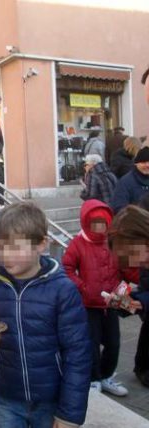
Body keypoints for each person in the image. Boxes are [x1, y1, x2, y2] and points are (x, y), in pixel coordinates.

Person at [0, 202, 91, 428]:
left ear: (41, 244)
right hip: (6, 396)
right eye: (0, 247)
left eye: (15, 247)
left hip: (51, 399)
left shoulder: (63, 290)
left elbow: (77, 353)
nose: (5, 255)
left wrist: (70, 413)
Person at [62, 200, 129, 397]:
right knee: (90, 343)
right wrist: (82, 287)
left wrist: (122, 291)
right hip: (88, 305)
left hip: (112, 303)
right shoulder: (77, 243)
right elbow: (66, 269)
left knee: (114, 343)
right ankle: (93, 378)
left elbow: (126, 268)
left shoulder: (115, 241)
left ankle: (106, 375)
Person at [108, 204, 149, 388]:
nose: (133, 261)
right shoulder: (144, 264)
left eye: (132, 253)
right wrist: (123, 304)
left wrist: (142, 301)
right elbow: (142, 296)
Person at [110, 146, 149, 213]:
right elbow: (118, 206)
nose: (147, 165)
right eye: (143, 162)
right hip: (136, 221)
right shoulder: (125, 182)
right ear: (136, 163)